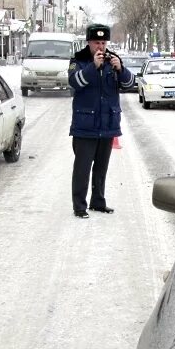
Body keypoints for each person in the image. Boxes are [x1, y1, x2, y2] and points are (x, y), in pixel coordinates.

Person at [68, 24, 135, 219]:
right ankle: (79, 206)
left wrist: (120, 69)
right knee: (82, 169)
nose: (100, 46)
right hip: (85, 126)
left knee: (101, 169)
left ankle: (98, 202)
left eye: (103, 42)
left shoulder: (112, 59)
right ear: (89, 42)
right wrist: (92, 68)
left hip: (107, 125)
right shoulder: (78, 60)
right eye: (97, 42)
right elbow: (74, 83)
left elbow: (130, 84)